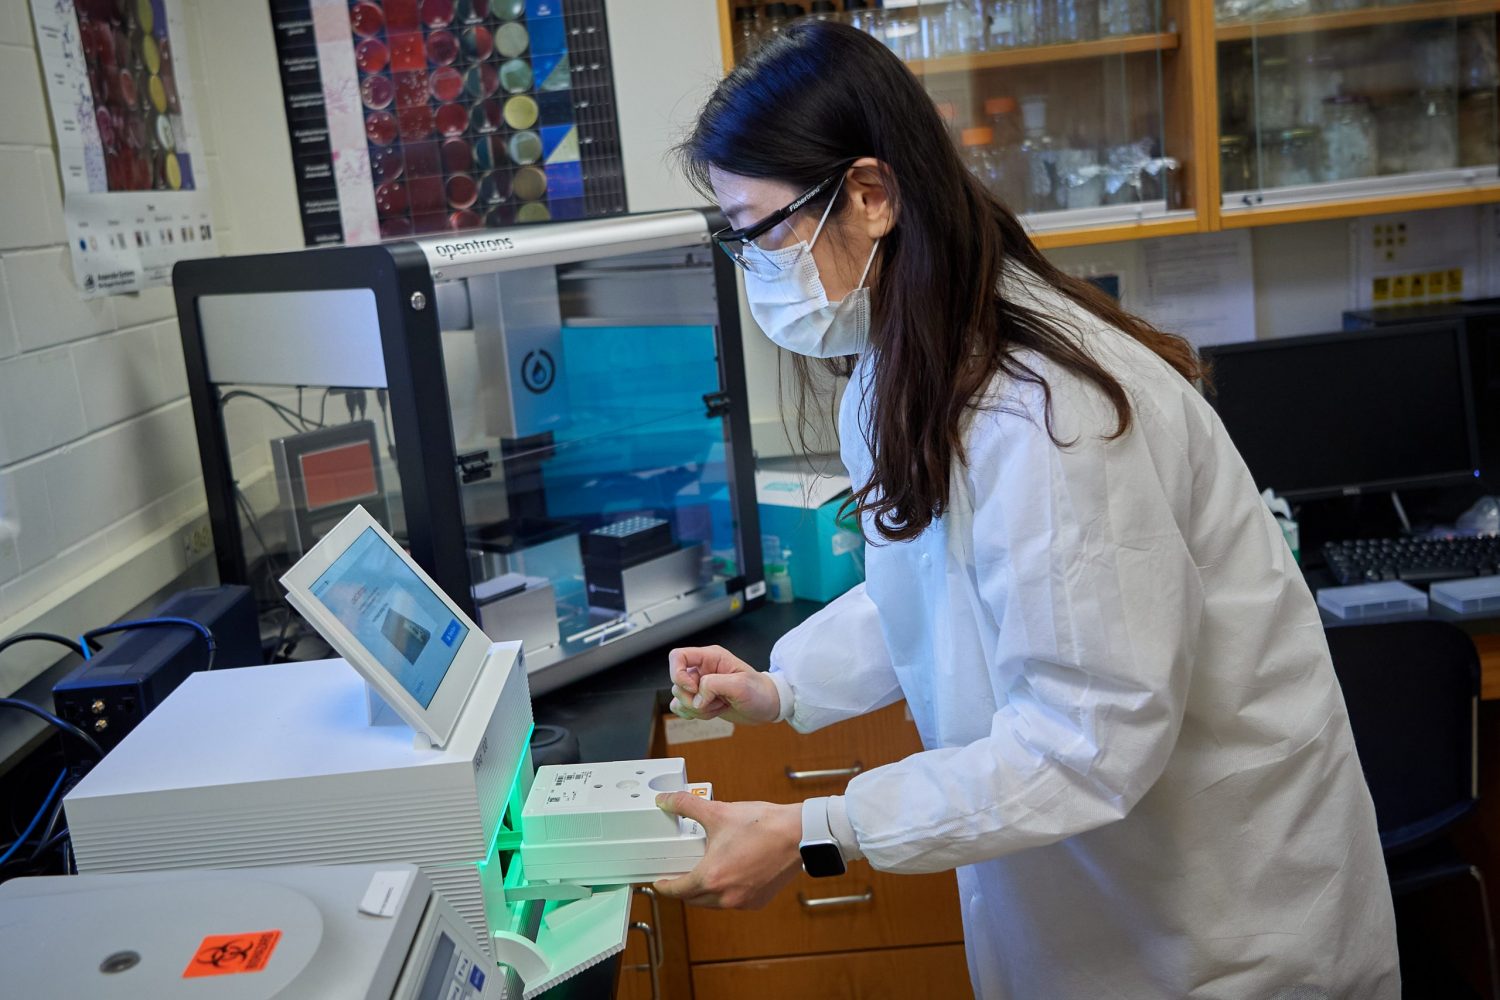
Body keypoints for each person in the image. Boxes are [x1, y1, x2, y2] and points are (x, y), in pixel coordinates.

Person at [648, 19, 1399, 1000]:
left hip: (1223, 937)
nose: (752, 266)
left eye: (760, 231)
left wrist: (815, 828)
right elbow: (935, 584)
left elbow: (1085, 740)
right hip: (1098, 917)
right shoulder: (901, 367)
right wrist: (781, 683)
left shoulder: (1050, 414)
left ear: (869, 196)